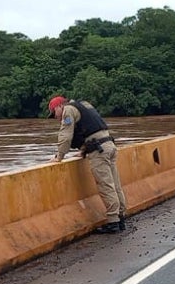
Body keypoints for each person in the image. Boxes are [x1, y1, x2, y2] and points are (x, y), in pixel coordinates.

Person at [48, 96, 127, 234]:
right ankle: (121, 217)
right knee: (115, 185)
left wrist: (59, 156)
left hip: (99, 151)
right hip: (109, 145)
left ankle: (113, 221)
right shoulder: (84, 105)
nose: (55, 117)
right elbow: (91, 128)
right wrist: (83, 151)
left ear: (59, 106)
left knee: (106, 186)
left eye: (54, 113)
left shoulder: (68, 110)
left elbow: (65, 135)